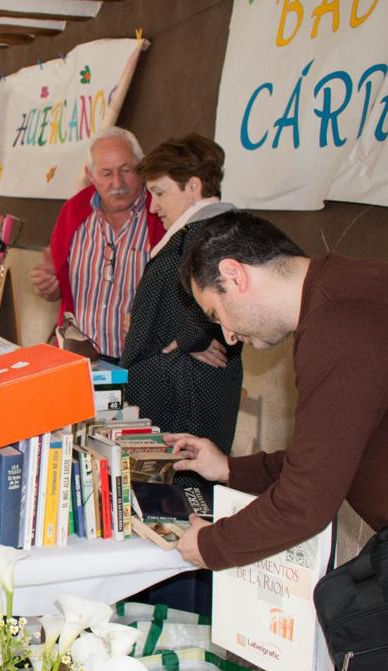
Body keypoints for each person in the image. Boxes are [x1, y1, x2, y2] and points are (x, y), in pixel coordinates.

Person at [166, 211, 388, 572]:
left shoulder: (336, 326)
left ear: (234, 275)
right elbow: (325, 455)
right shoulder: (344, 285)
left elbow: (306, 501)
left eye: (217, 313)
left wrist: (211, 545)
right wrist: (228, 469)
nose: (228, 336)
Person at [121, 134, 242, 453]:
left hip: (183, 397)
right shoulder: (201, 232)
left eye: (160, 192)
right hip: (178, 389)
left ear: (193, 186)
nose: (154, 205)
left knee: (179, 491)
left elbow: (229, 294)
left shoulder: (215, 234)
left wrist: (188, 340)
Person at [29, 127, 164, 361]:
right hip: (79, 358)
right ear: (90, 175)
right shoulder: (72, 213)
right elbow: (59, 292)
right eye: (106, 173)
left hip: (142, 361)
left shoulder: (162, 215)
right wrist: (50, 288)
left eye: (126, 170)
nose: (117, 182)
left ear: (142, 167)